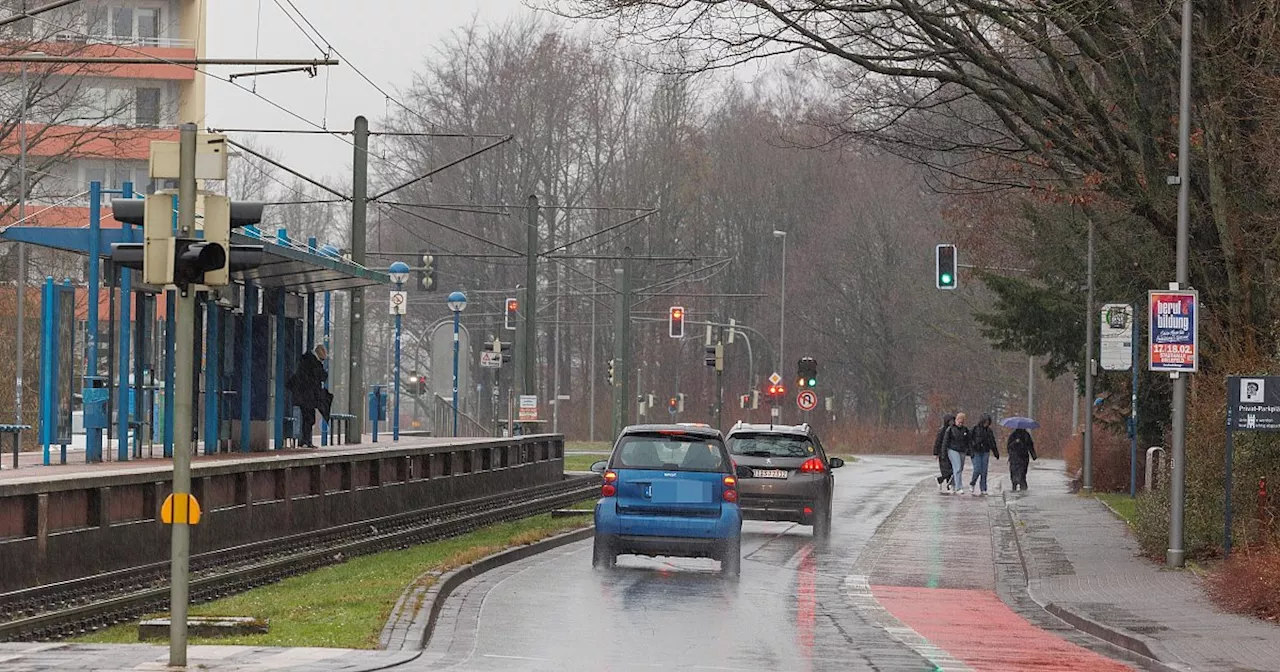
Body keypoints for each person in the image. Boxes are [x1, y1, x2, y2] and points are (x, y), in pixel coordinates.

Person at [288, 344, 329, 448]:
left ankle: (304, 440)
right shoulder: (314, 363)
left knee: (307, 417)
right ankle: (306, 440)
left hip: (303, 395)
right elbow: (322, 376)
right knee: (309, 418)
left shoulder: (306, 360)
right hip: (308, 396)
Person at [968, 414, 999, 496]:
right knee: (977, 469)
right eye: (985, 422)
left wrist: (996, 452)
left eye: (988, 422)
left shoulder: (989, 431)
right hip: (976, 451)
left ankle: (983, 488)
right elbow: (969, 440)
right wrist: (971, 451)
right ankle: (972, 483)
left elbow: (992, 442)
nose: (986, 424)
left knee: (984, 471)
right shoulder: (975, 429)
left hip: (985, 451)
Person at [942, 412, 972, 494]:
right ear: (956, 420)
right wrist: (943, 453)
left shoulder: (965, 430)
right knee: (957, 467)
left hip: (962, 450)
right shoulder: (950, 429)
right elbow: (945, 441)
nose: (960, 423)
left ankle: (952, 483)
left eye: (962, 422)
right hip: (952, 449)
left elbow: (969, 441)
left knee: (959, 469)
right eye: (959, 421)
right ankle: (959, 487)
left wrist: (970, 451)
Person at [932, 414, 956, 494]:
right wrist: (936, 453)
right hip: (943, 453)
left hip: (951, 451)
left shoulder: (953, 429)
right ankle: (944, 482)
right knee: (947, 470)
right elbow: (938, 442)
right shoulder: (942, 430)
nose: (952, 422)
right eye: (950, 421)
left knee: (951, 470)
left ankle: (946, 484)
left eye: (953, 420)